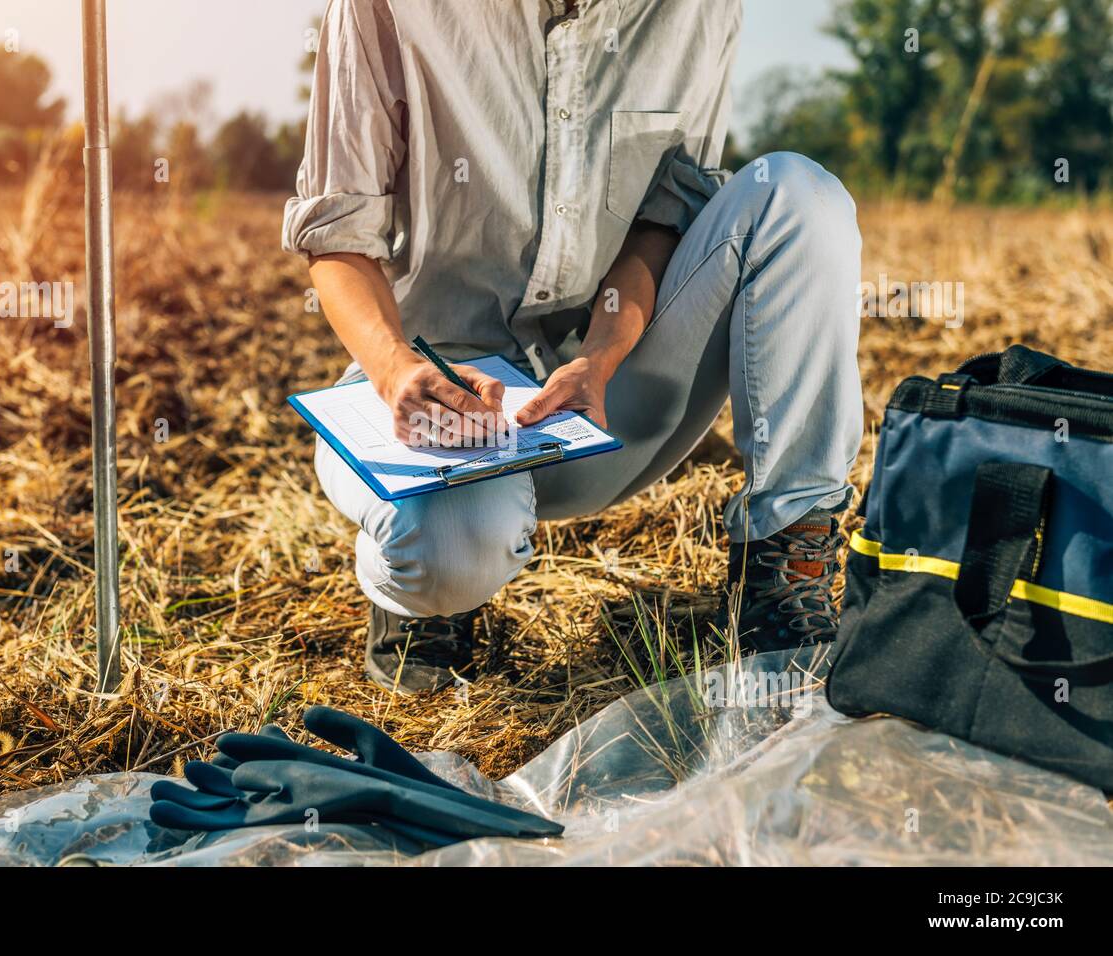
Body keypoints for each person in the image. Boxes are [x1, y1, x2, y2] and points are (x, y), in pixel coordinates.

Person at [283, 0, 863, 693]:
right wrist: (396, 368)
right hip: (435, 393)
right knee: (447, 559)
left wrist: (602, 355)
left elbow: (667, 213)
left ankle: (785, 564)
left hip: (606, 398)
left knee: (798, 196)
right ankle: (413, 600)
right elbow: (338, 234)